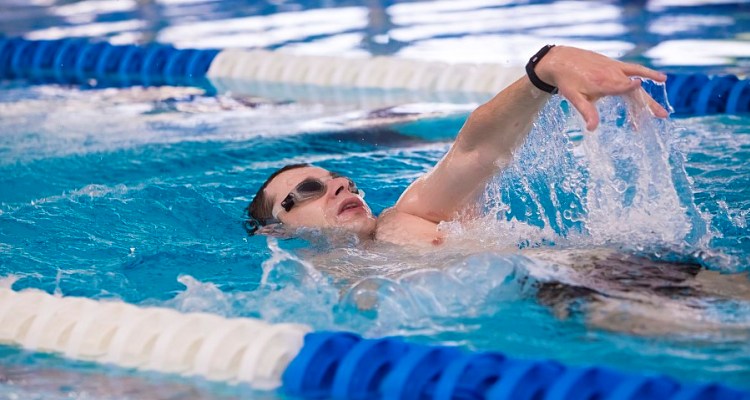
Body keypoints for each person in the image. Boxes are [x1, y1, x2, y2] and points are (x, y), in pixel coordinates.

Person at [244, 45, 669, 246]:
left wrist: (543, 72)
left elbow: (475, 152)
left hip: (594, 284)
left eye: (341, 180)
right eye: (309, 190)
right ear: (276, 229)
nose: (340, 186)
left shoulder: (405, 218)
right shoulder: (299, 290)